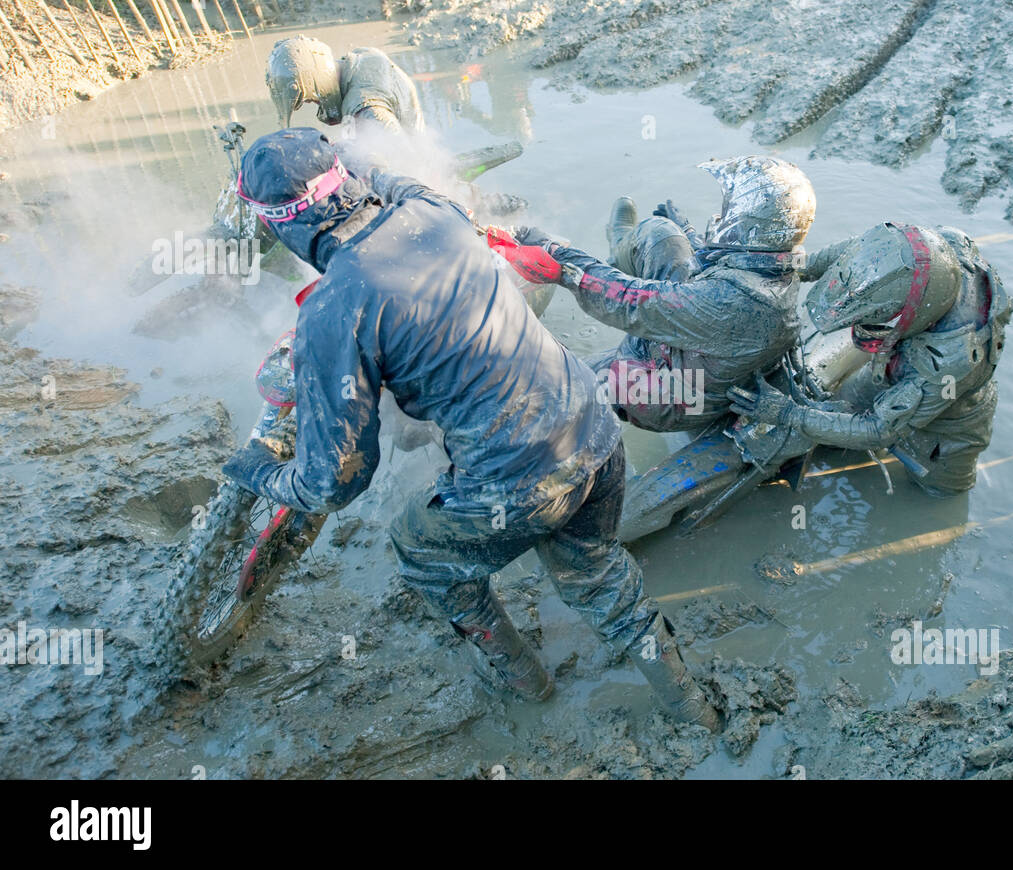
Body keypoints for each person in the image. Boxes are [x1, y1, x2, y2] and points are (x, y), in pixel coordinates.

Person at [221, 128, 720, 731]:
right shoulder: (431, 209)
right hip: (593, 429)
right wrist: (358, 156)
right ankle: (692, 709)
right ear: (345, 181)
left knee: (419, 546)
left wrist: (263, 473)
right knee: (596, 572)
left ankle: (522, 681)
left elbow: (337, 482)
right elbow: (388, 177)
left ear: (280, 225)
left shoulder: (332, 310)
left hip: (520, 485)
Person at [513, 156, 816, 432]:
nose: (720, 216)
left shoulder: (730, 302)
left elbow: (628, 300)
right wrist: (686, 229)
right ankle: (619, 248)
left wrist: (558, 256)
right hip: (703, 351)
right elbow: (722, 267)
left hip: (678, 397)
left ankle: (577, 390)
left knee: (552, 386)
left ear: (745, 224)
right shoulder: (775, 264)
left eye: (727, 211)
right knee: (661, 232)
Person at [728, 222, 1013, 497]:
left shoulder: (949, 360)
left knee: (940, 490)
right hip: (892, 368)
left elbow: (878, 430)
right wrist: (786, 268)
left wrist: (787, 414)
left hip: (950, 425)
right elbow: (854, 254)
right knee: (834, 416)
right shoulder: (919, 252)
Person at [266, 36, 424, 134]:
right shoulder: (363, 57)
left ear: (317, 82)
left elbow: (401, 155)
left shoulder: (364, 109)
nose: (315, 104)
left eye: (310, 99)